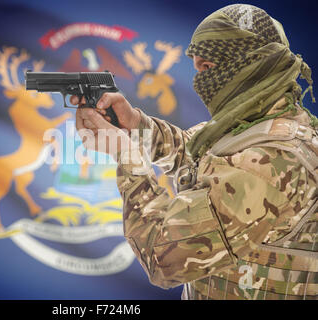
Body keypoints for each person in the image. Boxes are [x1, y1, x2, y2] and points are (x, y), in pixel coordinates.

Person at [71, 4, 317, 300]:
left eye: (208, 68)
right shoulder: (255, 126)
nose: (199, 81)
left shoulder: (273, 161)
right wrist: (135, 124)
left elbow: (163, 258)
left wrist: (128, 156)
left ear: (250, 63)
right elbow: (194, 154)